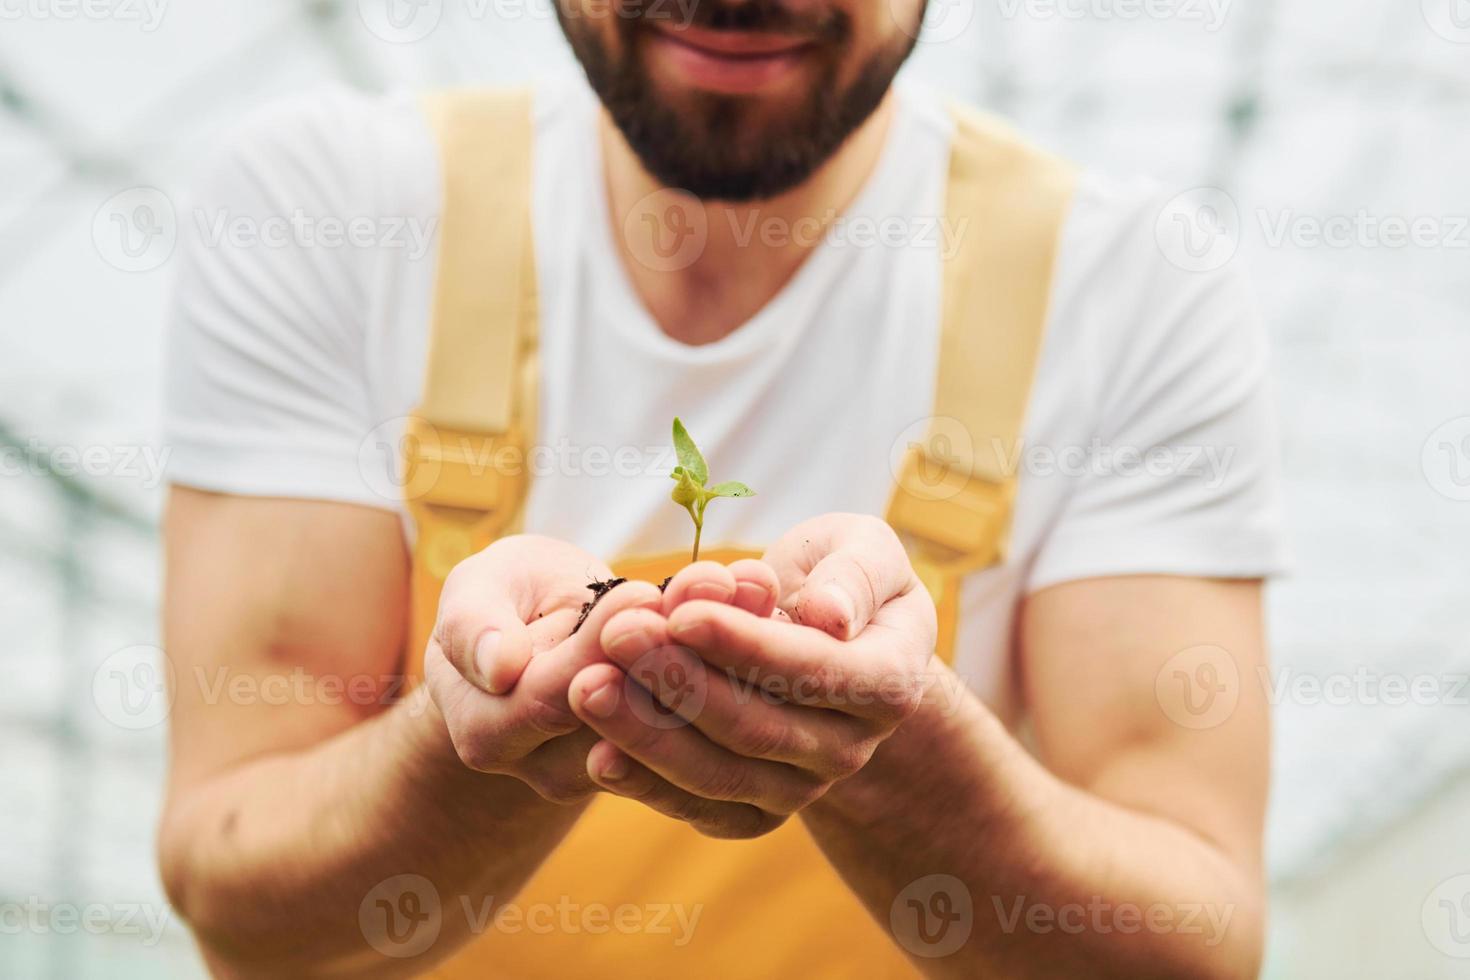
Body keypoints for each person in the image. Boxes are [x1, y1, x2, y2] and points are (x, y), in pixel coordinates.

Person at [157, 1, 1285, 977]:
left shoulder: (1129, 287)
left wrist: (895, 731)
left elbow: (1194, 939)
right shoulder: (329, 214)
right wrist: (478, 742)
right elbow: (245, 911)